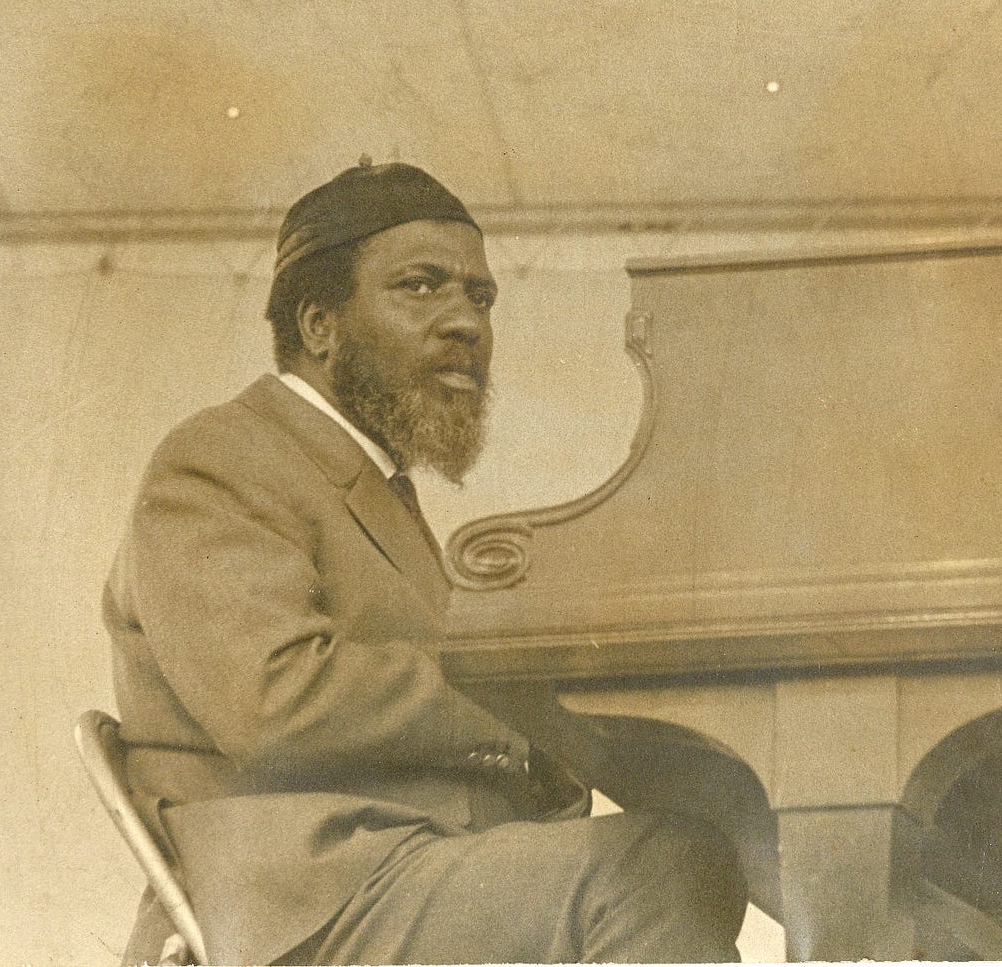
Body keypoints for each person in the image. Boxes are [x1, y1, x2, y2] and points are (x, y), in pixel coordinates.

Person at [102, 161, 748, 966]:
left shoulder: (373, 486)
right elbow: (274, 696)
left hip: (391, 872)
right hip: (300, 900)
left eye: (481, 297)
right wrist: (513, 725)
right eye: (420, 286)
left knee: (687, 850)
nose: (465, 322)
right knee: (656, 866)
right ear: (320, 325)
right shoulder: (221, 456)